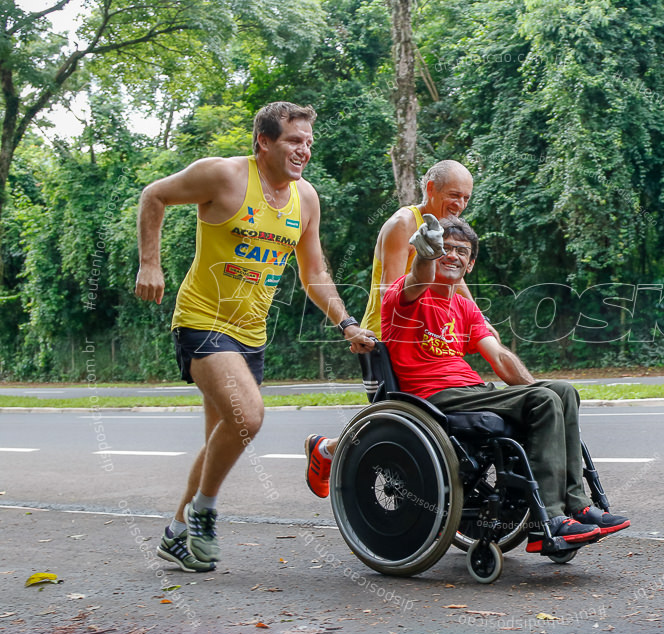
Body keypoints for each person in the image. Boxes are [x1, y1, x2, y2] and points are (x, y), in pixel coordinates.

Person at [134, 101, 375, 572]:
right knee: (249, 416)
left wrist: (346, 323)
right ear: (263, 141)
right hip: (202, 321)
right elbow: (153, 195)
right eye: (292, 140)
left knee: (218, 443)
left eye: (308, 142)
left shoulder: (306, 199)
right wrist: (150, 262)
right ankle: (204, 510)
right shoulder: (224, 176)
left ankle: (176, 534)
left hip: (252, 334)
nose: (303, 150)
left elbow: (314, 272)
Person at [319, 215, 630, 547]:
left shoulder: (465, 308)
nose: (452, 255)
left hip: (471, 391)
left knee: (561, 392)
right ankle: (547, 521)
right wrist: (426, 253)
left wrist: (536, 387)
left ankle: (578, 507)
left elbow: (497, 357)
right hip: (430, 398)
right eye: (445, 248)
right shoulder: (403, 296)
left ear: (470, 265)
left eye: (461, 251)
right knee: (544, 400)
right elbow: (418, 278)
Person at [302, 160, 481, 495]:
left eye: (466, 198)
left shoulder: (448, 231)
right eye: (454, 195)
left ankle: (331, 451)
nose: (459, 204)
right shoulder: (404, 224)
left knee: (411, 422)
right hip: (386, 337)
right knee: (392, 423)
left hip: (427, 336)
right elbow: (394, 290)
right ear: (431, 189)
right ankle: (327, 451)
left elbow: (453, 283)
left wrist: (478, 321)